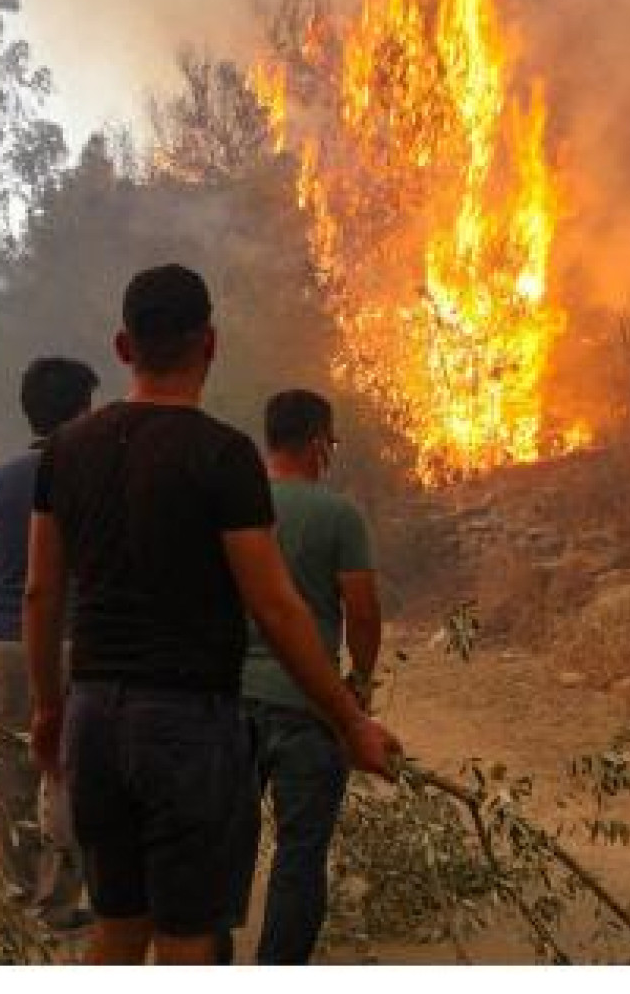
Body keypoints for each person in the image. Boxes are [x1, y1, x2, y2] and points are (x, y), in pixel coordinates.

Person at [22, 263, 402, 965]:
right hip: (186, 724)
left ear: (122, 347)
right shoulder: (223, 457)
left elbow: (42, 595)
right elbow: (276, 606)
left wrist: (49, 707)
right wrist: (349, 718)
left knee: (117, 923)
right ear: (211, 344)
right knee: (187, 934)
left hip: (94, 714)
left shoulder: (67, 451)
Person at [224, 390, 382, 964]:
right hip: (311, 707)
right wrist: (358, 686)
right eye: (331, 440)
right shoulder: (338, 515)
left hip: (232, 702)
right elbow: (362, 611)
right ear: (318, 442)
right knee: (300, 854)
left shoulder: (233, 509)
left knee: (224, 851)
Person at [0, 356, 99, 930]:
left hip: (4, 644)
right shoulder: (93, 474)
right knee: (64, 769)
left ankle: (17, 894)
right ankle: (58, 900)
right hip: (72, 640)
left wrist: (2, 602)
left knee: (10, 770)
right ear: (82, 411)